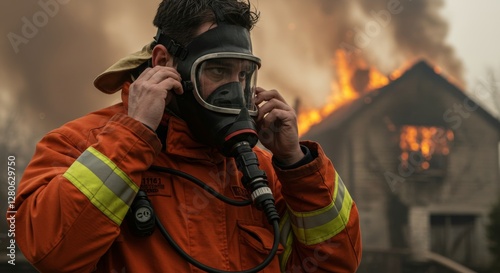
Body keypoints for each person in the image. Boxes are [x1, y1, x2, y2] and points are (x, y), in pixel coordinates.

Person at [11, 0, 362, 272]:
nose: (234, 90)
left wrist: (296, 165)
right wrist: (134, 136)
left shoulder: (262, 171)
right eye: (218, 70)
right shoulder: (79, 145)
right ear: (164, 63)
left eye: (242, 75)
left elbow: (335, 265)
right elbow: (51, 253)